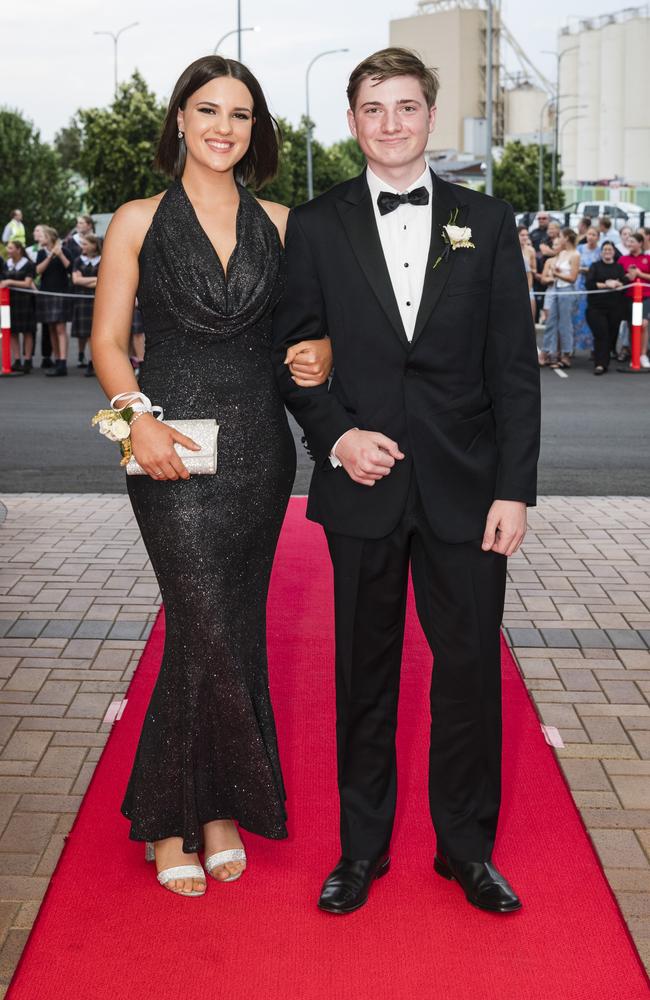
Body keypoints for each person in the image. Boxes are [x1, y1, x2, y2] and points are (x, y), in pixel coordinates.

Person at [273, 47, 540, 916]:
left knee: (468, 675)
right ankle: (361, 851)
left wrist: (516, 489)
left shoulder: (489, 221)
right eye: (374, 108)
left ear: (432, 115)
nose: (391, 123)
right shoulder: (312, 228)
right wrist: (339, 438)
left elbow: (514, 371)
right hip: (364, 488)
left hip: (469, 491)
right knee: (364, 676)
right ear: (352, 122)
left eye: (407, 106)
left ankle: (466, 851)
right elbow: (296, 362)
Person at [91, 55, 333, 897]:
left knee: (222, 627)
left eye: (240, 114)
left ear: (256, 129)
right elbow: (107, 344)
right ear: (181, 121)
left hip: (262, 451)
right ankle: (198, 816)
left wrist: (318, 352)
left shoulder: (284, 222)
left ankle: (188, 815)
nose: (223, 127)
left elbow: (311, 333)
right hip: (169, 445)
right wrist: (137, 422)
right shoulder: (136, 220)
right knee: (206, 624)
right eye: (208, 110)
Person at [34, 226, 72, 377]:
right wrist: (50, 256)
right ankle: (57, 360)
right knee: (51, 329)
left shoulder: (65, 250)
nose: (39, 237)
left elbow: (70, 269)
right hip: (46, 293)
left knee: (60, 329)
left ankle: (63, 362)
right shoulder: (41, 253)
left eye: (42, 235)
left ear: (49, 237)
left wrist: (60, 254)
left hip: (61, 293)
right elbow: (38, 271)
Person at [540, 228, 580, 368]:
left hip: (567, 291)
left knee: (565, 324)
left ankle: (565, 355)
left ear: (567, 238)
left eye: (561, 236)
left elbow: (573, 278)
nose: (559, 239)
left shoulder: (575, 255)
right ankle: (545, 352)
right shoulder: (562, 253)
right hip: (556, 289)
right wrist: (556, 274)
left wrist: (557, 275)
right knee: (551, 322)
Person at [585, 241, 626, 374]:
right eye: (605, 249)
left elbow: (624, 282)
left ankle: (605, 359)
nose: (607, 252)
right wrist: (606, 284)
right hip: (596, 307)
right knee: (601, 334)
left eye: (610, 249)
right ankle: (600, 364)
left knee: (611, 334)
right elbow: (589, 283)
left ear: (614, 252)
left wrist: (617, 283)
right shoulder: (595, 266)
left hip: (615, 307)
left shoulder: (619, 267)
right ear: (601, 252)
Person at [0, 241, 36, 372]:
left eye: (10, 248)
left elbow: (27, 283)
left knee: (27, 331)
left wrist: (10, 281)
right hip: (10, 301)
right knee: (12, 331)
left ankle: (27, 359)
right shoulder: (6, 264)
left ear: (19, 249)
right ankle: (17, 359)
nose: (8, 250)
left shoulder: (28, 264)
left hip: (25, 301)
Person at [71, 232, 101, 376]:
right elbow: (75, 280)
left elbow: (102, 281)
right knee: (83, 333)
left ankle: (93, 362)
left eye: (85, 243)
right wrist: (94, 280)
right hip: (82, 299)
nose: (82, 246)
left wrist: (85, 280)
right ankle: (84, 357)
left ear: (94, 245)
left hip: (97, 300)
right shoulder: (78, 260)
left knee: (93, 333)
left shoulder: (102, 260)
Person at [618, 232, 650, 367]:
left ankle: (643, 354)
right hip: (629, 297)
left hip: (645, 296)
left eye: (632, 242)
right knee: (632, 326)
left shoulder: (647, 258)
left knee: (643, 324)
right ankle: (634, 353)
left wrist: (639, 274)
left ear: (640, 243)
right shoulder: (623, 260)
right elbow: (619, 278)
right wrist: (627, 276)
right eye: (628, 242)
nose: (629, 244)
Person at [574, 226, 601, 352]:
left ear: (598, 237)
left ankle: (592, 347)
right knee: (577, 315)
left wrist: (589, 271)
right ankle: (573, 346)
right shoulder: (579, 249)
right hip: (579, 286)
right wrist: (588, 270)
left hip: (593, 287)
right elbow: (575, 266)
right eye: (589, 234)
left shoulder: (600, 251)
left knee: (593, 317)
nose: (590, 237)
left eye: (594, 235)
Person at [518, 224, 536, 321]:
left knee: (530, 315)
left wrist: (527, 268)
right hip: (515, 284)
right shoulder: (512, 250)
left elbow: (534, 269)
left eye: (526, 235)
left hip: (528, 284)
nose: (525, 237)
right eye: (522, 235)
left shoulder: (531, 250)